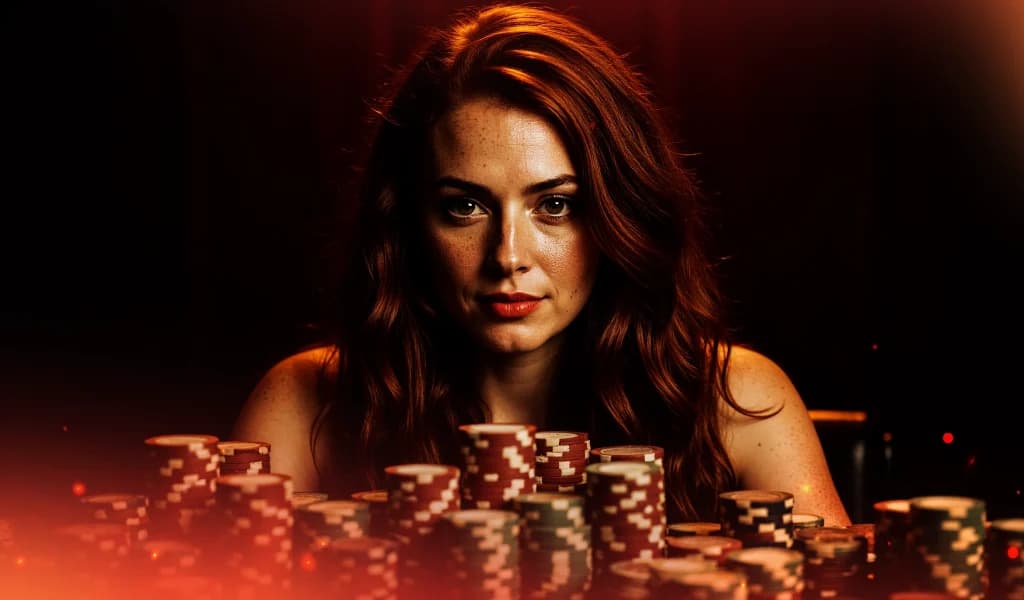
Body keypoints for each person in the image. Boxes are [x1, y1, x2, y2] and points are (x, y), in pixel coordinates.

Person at [232, 3, 851, 526]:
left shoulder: (736, 398)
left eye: (554, 205)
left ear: (620, 214)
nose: (508, 257)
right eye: (465, 206)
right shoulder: (305, 401)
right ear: (409, 222)